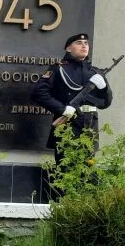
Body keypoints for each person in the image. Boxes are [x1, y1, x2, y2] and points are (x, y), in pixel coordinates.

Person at [31, 32, 113, 191]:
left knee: (87, 168)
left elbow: (105, 103)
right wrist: (62, 108)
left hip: (89, 124)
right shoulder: (58, 69)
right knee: (65, 168)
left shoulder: (95, 73)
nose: (84, 46)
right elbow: (39, 93)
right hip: (68, 122)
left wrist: (104, 87)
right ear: (68, 48)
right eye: (79, 43)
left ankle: (80, 209)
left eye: (86, 43)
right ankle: (62, 208)